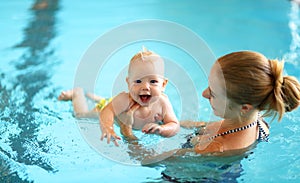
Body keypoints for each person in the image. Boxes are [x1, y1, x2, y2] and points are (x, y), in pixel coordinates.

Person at [142, 51, 300, 165]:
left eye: (213, 93)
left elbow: (149, 160)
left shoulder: (216, 148)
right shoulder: (259, 121)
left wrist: (127, 132)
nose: (204, 94)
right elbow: (207, 127)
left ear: (244, 108)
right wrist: (168, 122)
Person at [58, 48, 180, 146]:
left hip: (114, 104)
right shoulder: (125, 100)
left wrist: (162, 129)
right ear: (128, 83)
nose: (145, 87)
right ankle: (77, 94)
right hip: (105, 107)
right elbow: (107, 111)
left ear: (163, 85)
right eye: (138, 81)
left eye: (153, 81)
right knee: (82, 116)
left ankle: (95, 97)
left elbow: (174, 124)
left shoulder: (163, 102)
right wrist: (108, 127)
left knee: (108, 101)